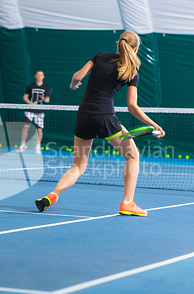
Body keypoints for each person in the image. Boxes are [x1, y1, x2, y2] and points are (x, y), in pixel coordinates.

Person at [34, 31, 165, 216]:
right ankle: (128, 202)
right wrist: (154, 125)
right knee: (133, 156)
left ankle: (52, 195)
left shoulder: (100, 56)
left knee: (78, 166)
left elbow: (77, 76)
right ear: (135, 50)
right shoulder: (131, 71)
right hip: (105, 117)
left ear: (118, 44)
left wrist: (73, 85)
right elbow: (132, 107)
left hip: (84, 116)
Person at [18, 70, 51, 154]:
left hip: (40, 111)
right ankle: (22, 145)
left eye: (41, 75)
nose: (40, 76)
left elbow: (47, 100)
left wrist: (44, 99)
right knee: (26, 127)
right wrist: (30, 103)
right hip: (30, 110)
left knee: (39, 129)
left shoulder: (46, 87)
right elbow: (25, 97)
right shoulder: (31, 86)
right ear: (35, 76)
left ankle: (38, 147)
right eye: (38, 75)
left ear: (43, 77)